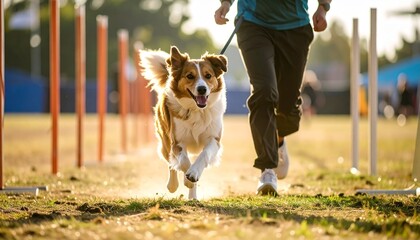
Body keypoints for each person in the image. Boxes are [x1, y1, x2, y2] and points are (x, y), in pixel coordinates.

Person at [214, 0, 331, 195]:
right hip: (253, 23)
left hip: (295, 26)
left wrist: (323, 7)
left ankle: (278, 140)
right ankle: (267, 171)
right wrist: (225, 4)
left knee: (288, 106)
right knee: (264, 92)